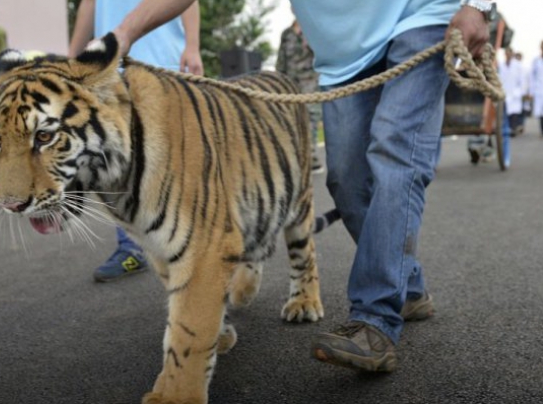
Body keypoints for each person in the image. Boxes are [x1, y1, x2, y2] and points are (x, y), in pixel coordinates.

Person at [108, 0, 491, 372]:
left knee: (395, 151)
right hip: (344, 58)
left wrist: (480, 5)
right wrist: (123, 34)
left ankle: (374, 319)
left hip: (422, 19)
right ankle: (408, 287)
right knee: (345, 181)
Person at [69, 0, 203, 282]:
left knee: (175, 160)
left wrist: (192, 46)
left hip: (163, 59)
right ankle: (131, 246)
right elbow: (89, 4)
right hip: (110, 63)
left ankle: (191, 237)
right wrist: (72, 59)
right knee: (116, 161)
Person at [276, 17, 324, 175]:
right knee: (291, 119)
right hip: (291, 84)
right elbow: (281, 61)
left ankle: (310, 157)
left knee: (310, 117)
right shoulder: (287, 34)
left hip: (310, 82)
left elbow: (323, 54)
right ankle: (295, 157)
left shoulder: (312, 28)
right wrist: (278, 81)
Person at [498, 47, 525, 136]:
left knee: (514, 113)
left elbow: (522, 80)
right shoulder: (501, 65)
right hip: (504, 92)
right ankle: (507, 129)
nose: (508, 55)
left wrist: (519, 92)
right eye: (506, 53)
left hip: (515, 93)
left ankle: (513, 130)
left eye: (509, 53)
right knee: (505, 113)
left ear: (512, 54)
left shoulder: (518, 65)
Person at [530, 41, 543, 136]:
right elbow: (532, 77)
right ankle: (542, 131)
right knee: (541, 114)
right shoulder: (536, 61)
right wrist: (531, 91)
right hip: (539, 89)